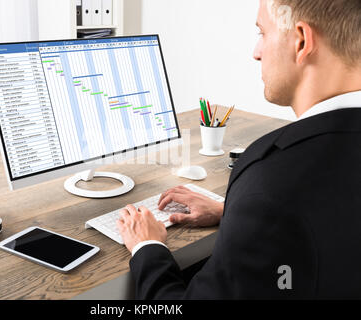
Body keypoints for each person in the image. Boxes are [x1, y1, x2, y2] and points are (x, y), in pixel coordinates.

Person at [117, 0, 361, 299]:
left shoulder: (271, 179)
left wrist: (147, 247)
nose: (256, 52)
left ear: (300, 41)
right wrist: (233, 213)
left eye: (262, 32)